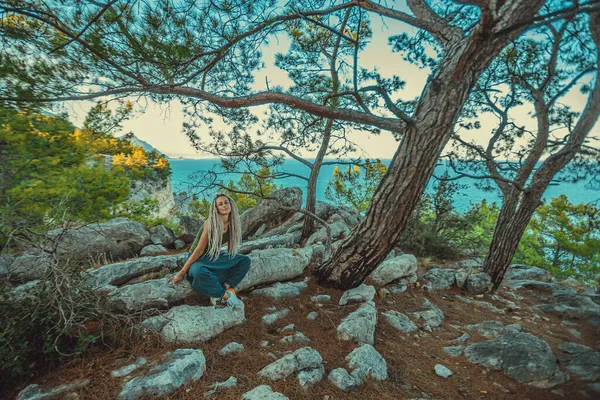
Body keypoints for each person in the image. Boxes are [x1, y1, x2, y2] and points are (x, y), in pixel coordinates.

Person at [169, 193, 251, 310]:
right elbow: (199, 250)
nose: (224, 206)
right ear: (216, 208)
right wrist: (181, 273)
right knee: (199, 272)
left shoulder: (233, 223)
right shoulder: (210, 223)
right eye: (220, 204)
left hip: (214, 256)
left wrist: (226, 262)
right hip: (198, 258)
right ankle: (225, 296)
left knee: (245, 260)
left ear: (231, 204)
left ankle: (226, 286)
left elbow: (228, 249)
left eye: (226, 202)